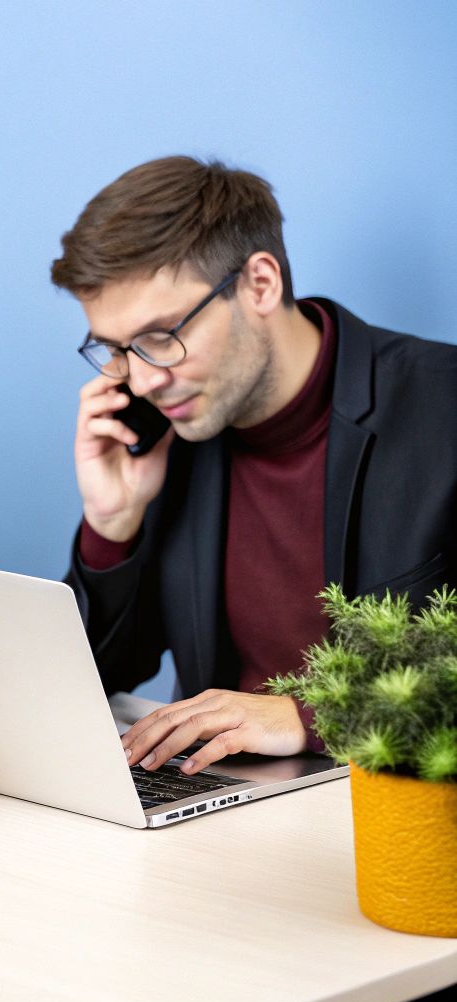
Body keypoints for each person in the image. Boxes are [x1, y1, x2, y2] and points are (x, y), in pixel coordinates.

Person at [56, 156, 457, 778]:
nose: (143, 380)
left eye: (160, 337)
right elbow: (92, 679)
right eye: (116, 349)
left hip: (401, 804)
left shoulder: (443, 406)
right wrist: (112, 526)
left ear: (261, 285)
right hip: (222, 801)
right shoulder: (171, 437)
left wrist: (310, 714)